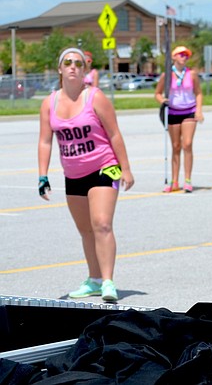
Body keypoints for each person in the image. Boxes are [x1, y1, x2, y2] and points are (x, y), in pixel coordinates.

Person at [38, 47, 134, 303]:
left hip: (104, 167)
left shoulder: (95, 97)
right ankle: (93, 280)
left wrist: (125, 168)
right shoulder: (50, 103)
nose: (73, 66)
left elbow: (114, 133)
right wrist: (42, 175)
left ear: (84, 70)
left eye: (78, 63)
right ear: (60, 69)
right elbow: (46, 141)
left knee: (101, 223)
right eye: (67, 62)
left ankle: (108, 282)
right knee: (85, 230)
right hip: (74, 173)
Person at [155, 45, 204, 193]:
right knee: (176, 146)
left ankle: (188, 180)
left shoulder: (192, 74)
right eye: (181, 55)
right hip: (173, 112)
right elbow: (157, 93)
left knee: (187, 144)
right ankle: (174, 181)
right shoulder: (167, 75)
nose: (184, 57)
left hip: (189, 111)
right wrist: (162, 100)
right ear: (174, 57)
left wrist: (199, 111)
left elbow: (198, 93)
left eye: (186, 55)